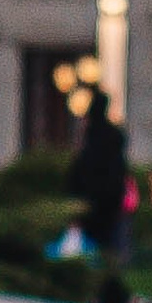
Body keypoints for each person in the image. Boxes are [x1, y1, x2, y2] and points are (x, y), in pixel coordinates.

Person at [64, 90, 129, 256]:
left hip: (89, 196)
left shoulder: (89, 134)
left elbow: (79, 167)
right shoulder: (114, 135)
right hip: (111, 196)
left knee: (91, 242)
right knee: (110, 242)